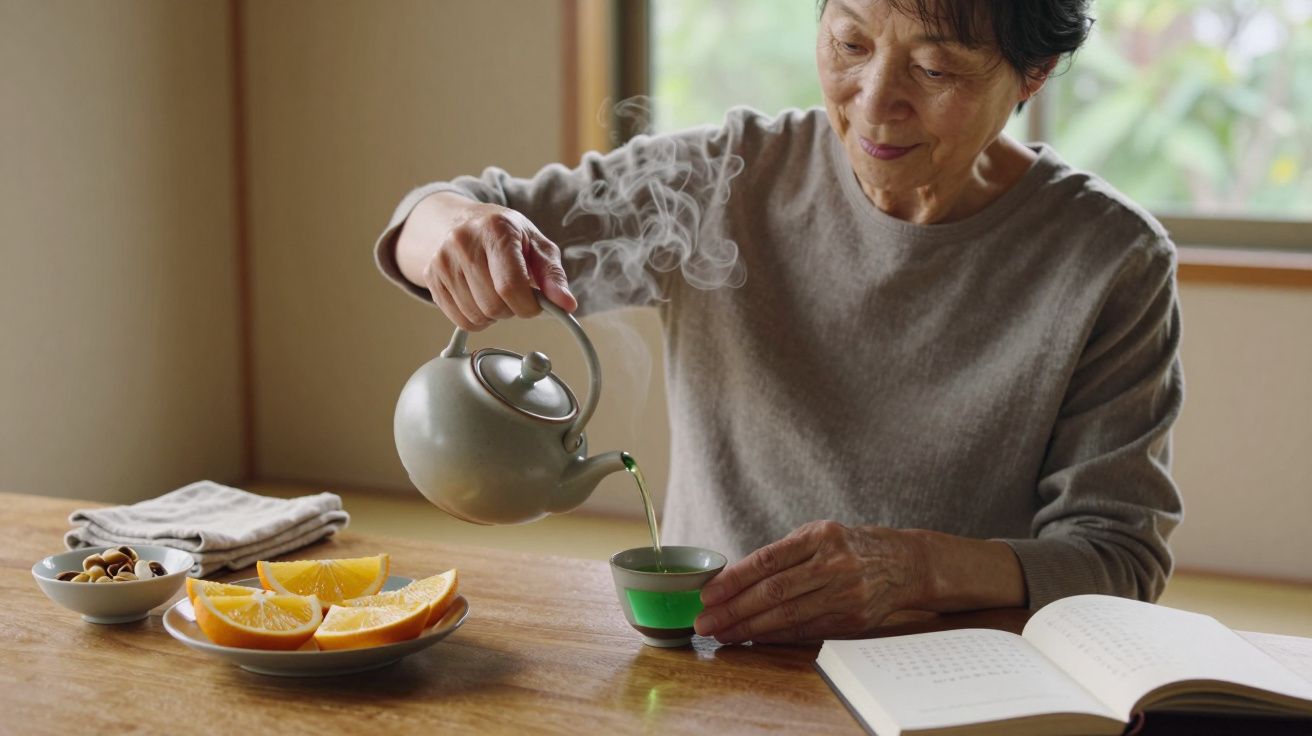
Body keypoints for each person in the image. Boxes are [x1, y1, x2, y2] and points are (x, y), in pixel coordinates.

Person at [373, 0, 1184, 645]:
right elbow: (447, 210)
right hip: (706, 663)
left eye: (935, 68)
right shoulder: (729, 177)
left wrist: (914, 569)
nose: (875, 104)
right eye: (850, 43)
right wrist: (452, 232)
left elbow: (1117, 557)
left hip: (948, 677)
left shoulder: (1110, 257)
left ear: (1031, 76)